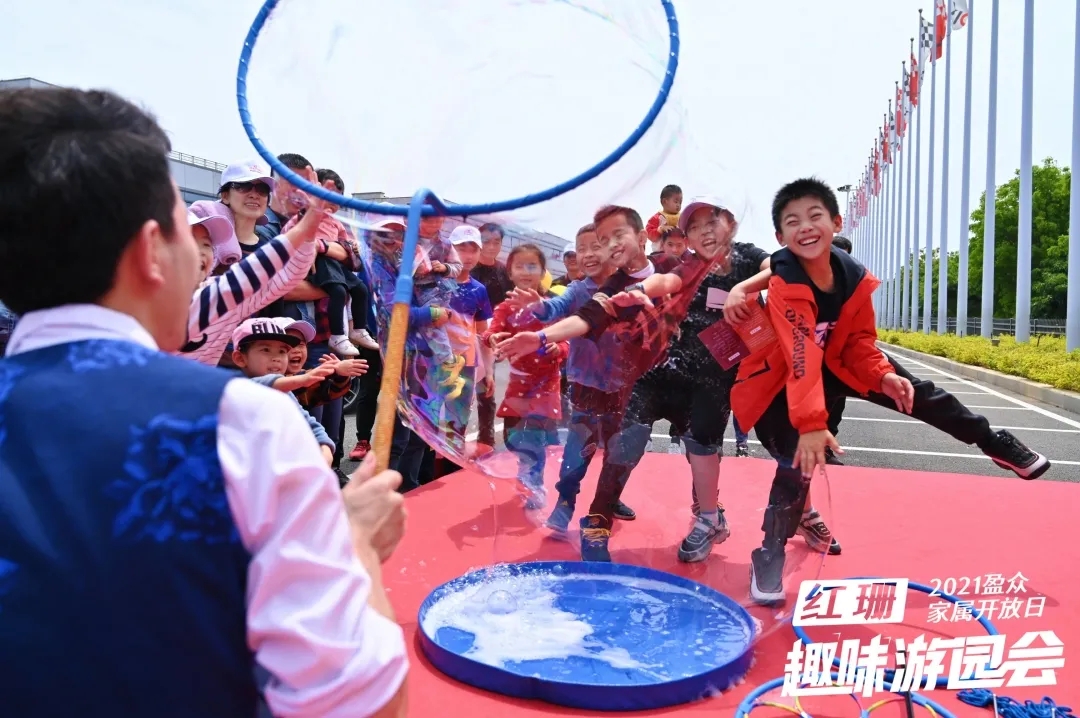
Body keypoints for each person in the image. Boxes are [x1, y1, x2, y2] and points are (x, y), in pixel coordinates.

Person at [0, 86, 408, 716]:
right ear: (150, 252)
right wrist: (352, 540)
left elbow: (243, 283)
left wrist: (302, 229)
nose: (204, 259)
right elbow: (362, 705)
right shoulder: (243, 423)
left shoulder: (202, 344)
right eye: (187, 235)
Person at [729, 177, 1050, 605]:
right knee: (796, 457)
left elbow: (859, 341)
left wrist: (881, 376)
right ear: (780, 237)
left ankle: (993, 441)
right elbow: (801, 352)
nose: (805, 226)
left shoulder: (854, 278)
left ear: (835, 222)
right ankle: (770, 551)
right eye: (793, 221)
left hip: (837, 365)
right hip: (782, 380)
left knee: (914, 390)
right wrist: (810, 423)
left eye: (814, 216)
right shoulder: (786, 280)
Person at [178, 199, 320, 366]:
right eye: (189, 241)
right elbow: (245, 277)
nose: (201, 251)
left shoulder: (218, 294)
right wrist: (304, 226)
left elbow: (287, 276)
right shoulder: (152, 301)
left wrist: (308, 228)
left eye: (207, 244)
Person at [485, 244, 569, 510]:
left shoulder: (552, 307)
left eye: (532, 266)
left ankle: (535, 485)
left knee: (533, 437)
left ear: (543, 272)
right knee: (513, 438)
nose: (525, 271)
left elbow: (567, 340)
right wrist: (492, 338)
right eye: (519, 266)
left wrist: (559, 348)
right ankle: (528, 470)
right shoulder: (505, 308)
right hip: (518, 384)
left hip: (546, 383)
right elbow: (491, 332)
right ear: (510, 272)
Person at [230, 319, 340, 464]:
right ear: (240, 358)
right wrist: (302, 379)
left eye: (282, 351)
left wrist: (324, 448)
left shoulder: (285, 392)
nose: (276, 358)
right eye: (265, 350)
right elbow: (258, 385)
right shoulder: (234, 387)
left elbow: (309, 424)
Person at [293, 168, 377, 356]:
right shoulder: (304, 216)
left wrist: (353, 246)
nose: (332, 201)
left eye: (337, 197)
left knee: (361, 289)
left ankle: (359, 329)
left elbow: (346, 245)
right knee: (338, 292)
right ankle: (337, 335)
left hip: (335, 264)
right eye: (327, 194)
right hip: (319, 264)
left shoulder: (336, 223)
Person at [443, 225, 494, 454]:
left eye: (473, 250)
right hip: (436, 360)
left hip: (465, 363)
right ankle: (424, 469)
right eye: (461, 248)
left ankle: (450, 464)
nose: (468, 256)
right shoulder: (436, 282)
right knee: (428, 420)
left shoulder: (479, 290)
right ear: (450, 249)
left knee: (457, 422)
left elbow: (484, 335)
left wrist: (489, 372)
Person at [470, 222, 514, 449]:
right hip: (465, 335)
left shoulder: (505, 273)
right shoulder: (469, 269)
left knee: (486, 387)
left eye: (496, 242)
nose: (491, 246)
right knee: (460, 390)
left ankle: (486, 439)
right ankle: (449, 441)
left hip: (491, 338)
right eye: (486, 241)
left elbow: (510, 307)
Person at [645, 183, 683, 252]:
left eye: (680, 202)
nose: (678, 205)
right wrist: (660, 229)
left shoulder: (681, 218)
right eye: (676, 202)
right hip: (661, 253)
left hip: (679, 252)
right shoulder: (657, 218)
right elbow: (649, 234)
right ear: (664, 201)